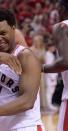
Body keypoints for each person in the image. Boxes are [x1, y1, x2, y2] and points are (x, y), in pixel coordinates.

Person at [0, 6, 44, 131]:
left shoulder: (25, 56)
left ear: (13, 29)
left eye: (3, 33)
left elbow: (27, 101)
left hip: (24, 127)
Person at [42, 0, 68, 130]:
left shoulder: (62, 26)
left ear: (62, 9)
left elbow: (65, 62)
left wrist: (41, 68)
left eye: (58, 9)